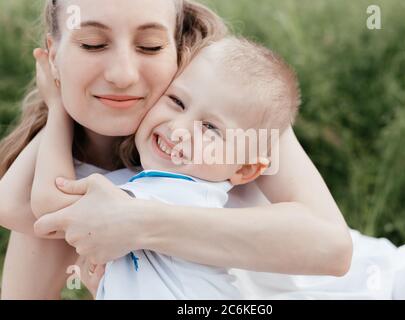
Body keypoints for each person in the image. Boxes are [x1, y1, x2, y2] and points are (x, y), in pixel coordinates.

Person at [0, 0, 352, 300]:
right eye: (93, 43)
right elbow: (17, 208)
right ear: (52, 57)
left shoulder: (238, 97)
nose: (123, 74)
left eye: (151, 45)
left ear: (179, 46)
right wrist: (58, 110)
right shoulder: (63, 170)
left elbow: (333, 249)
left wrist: (136, 222)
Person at [32, 36, 301, 299]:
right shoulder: (148, 185)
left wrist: (58, 108)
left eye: (210, 128)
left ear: (244, 170)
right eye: (177, 102)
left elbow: (51, 206)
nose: (178, 128)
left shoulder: (181, 194)